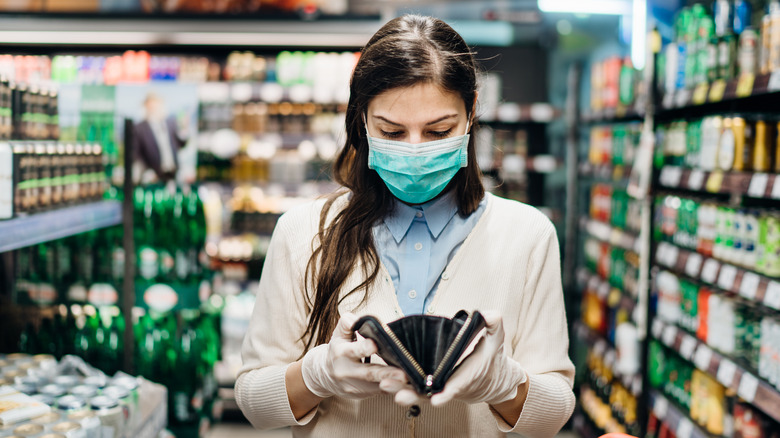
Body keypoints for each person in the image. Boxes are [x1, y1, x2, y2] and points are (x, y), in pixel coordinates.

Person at [235, 14, 575, 437]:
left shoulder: (528, 235)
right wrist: (317, 374)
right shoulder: (303, 233)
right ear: (361, 121)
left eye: (439, 131)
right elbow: (253, 401)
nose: (415, 150)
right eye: (392, 132)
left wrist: (504, 384)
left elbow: (556, 410)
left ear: (470, 115)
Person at [132, 92, 188, 183]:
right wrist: (145, 171)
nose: (155, 109)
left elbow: (181, 144)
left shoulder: (171, 123)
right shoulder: (140, 128)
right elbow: (136, 154)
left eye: (157, 105)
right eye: (152, 106)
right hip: (154, 176)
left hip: (174, 173)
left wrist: (184, 129)